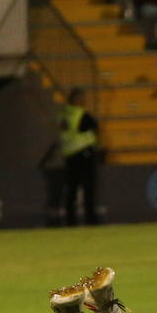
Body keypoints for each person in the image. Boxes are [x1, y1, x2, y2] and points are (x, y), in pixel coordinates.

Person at [57, 87, 100, 225]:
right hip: (84, 153)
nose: (84, 101)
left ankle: (70, 220)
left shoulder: (62, 114)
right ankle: (91, 220)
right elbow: (95, 127)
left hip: (69, 155)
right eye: (82, 98)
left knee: (72, 189)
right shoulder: (80, 114)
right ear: (78, 99)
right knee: (88, 187)